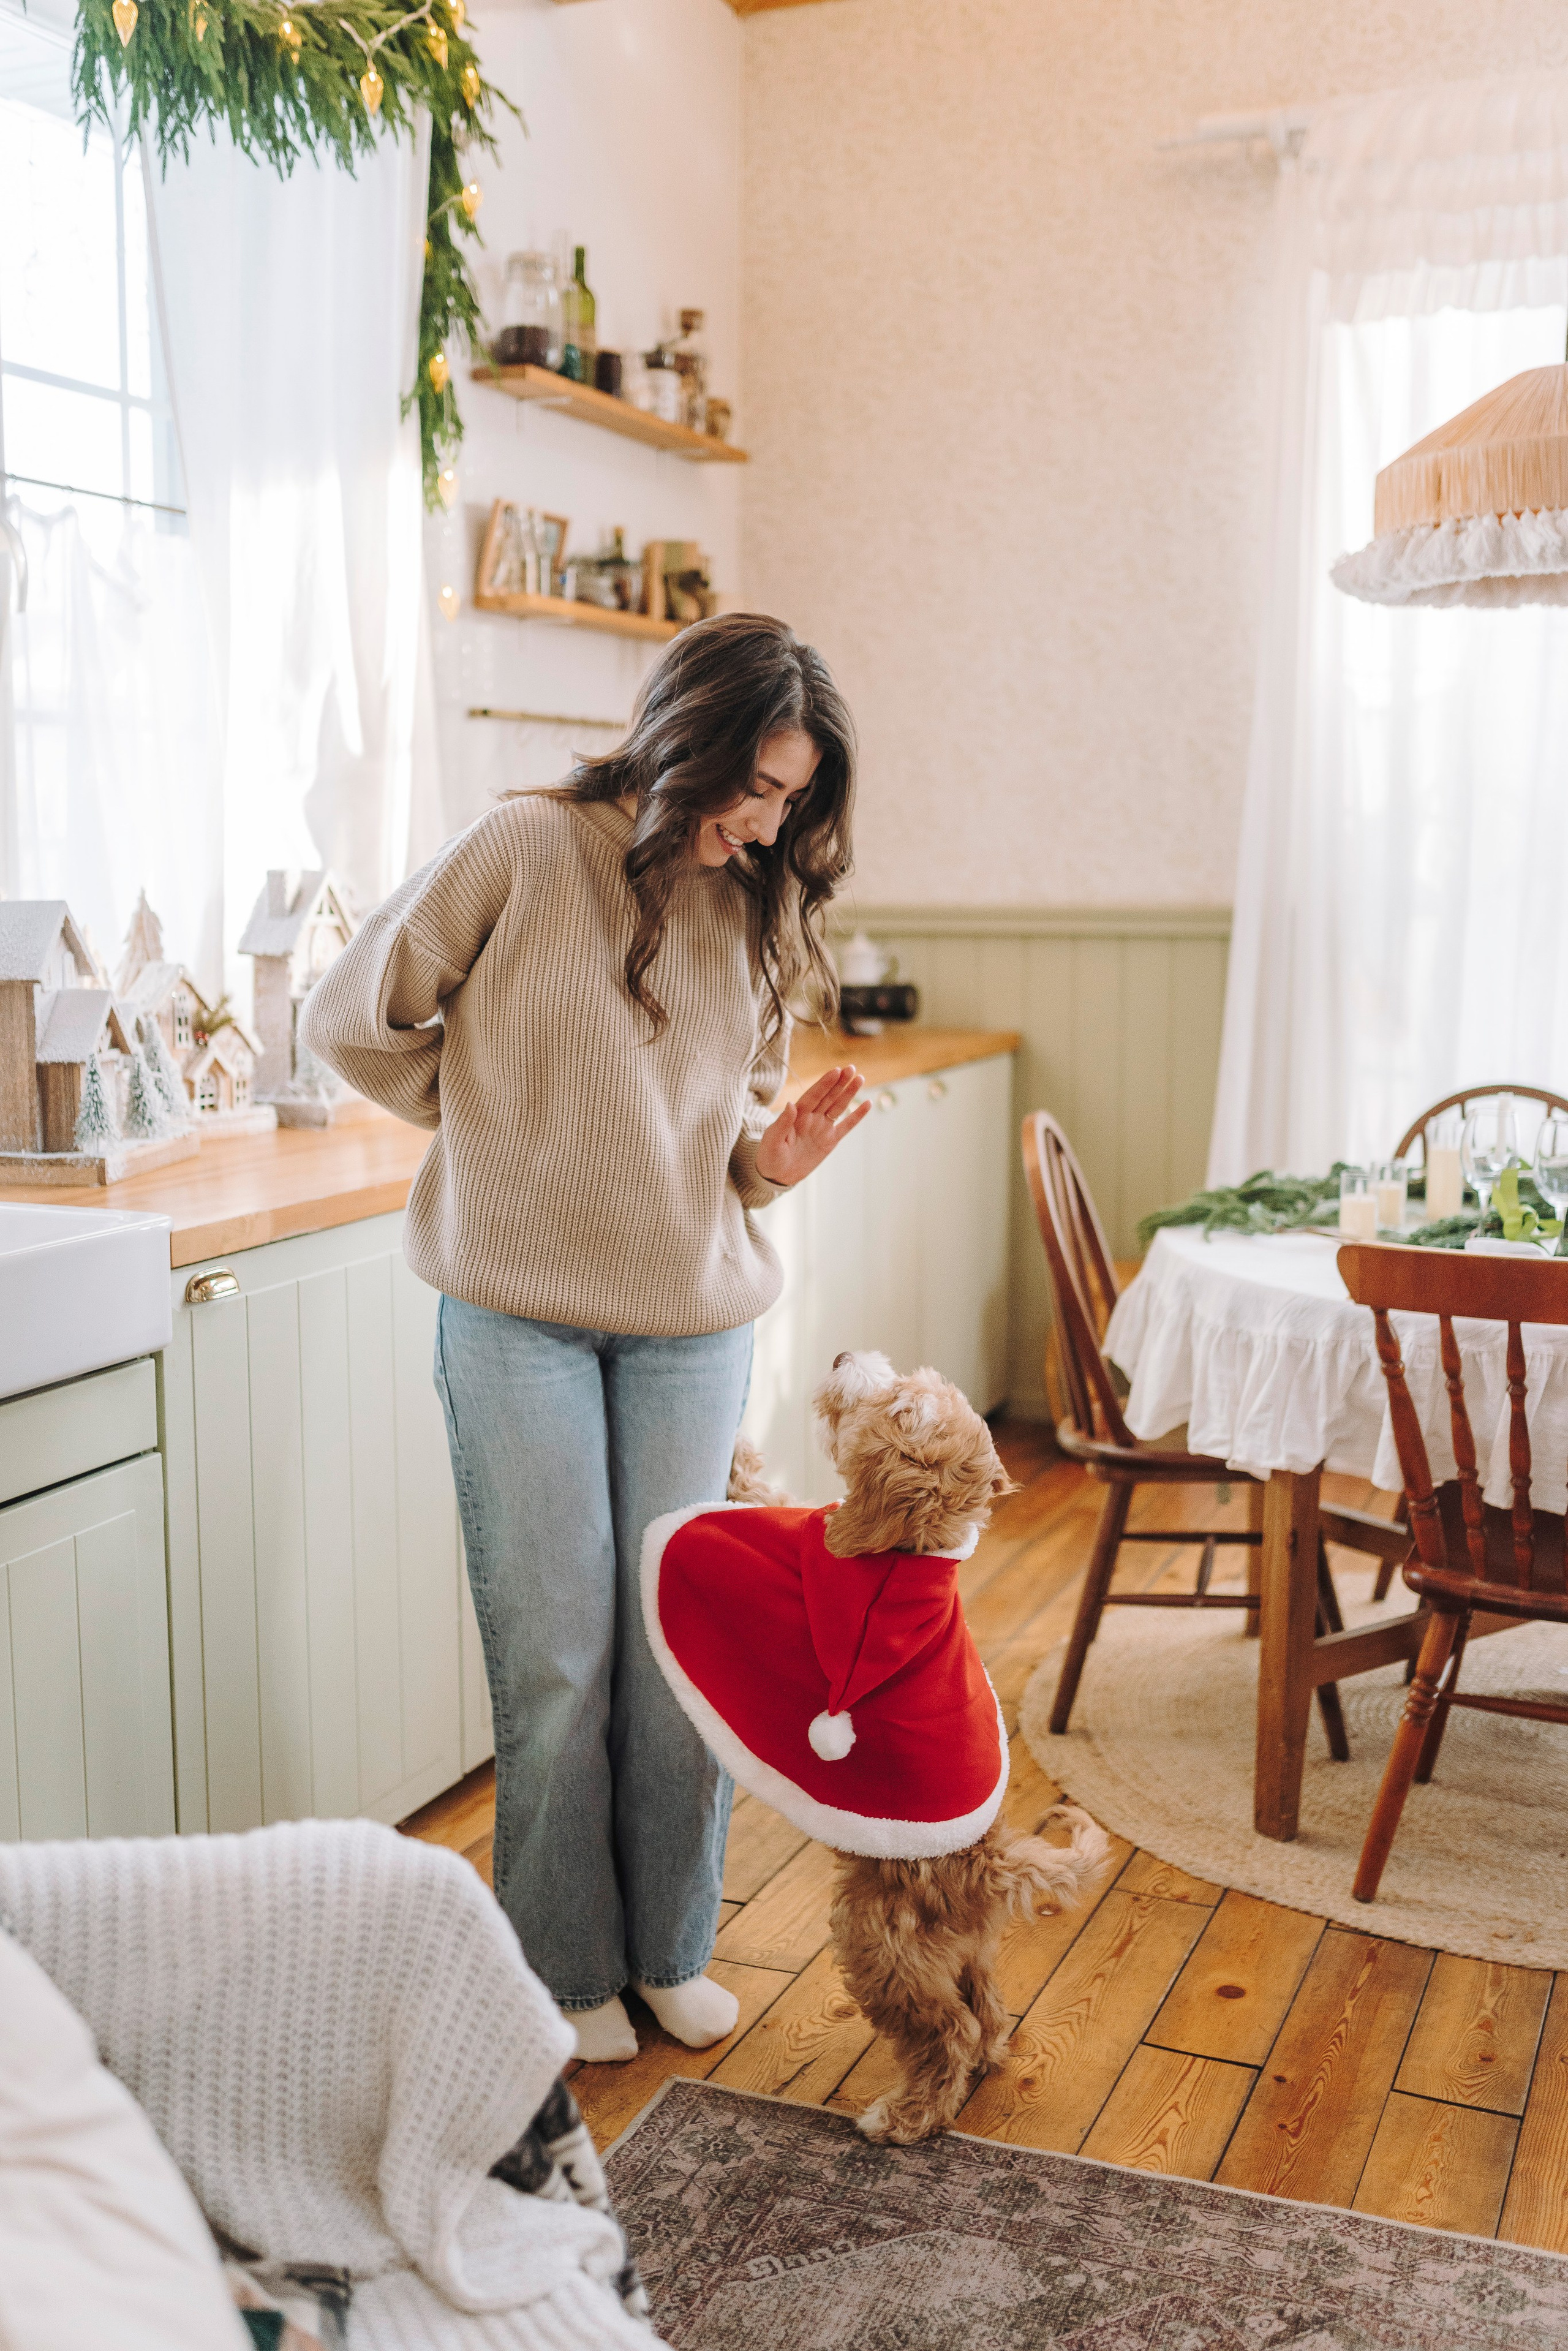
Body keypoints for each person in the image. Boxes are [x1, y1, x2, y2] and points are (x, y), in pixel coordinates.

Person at [301, 614, 866, 2062]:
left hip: (689, 1321)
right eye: (754, 782)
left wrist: (771, 1163)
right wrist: (484, 1111)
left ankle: (669, 1946)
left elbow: (726, 1127)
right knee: (557, 1662)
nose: (765, 817)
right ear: (681, 737)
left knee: (675, 1652)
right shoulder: (521, 843)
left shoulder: (754, 901)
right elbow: (350, 1019)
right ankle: (561, 1967)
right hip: (514, 1322)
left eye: (792, 794)